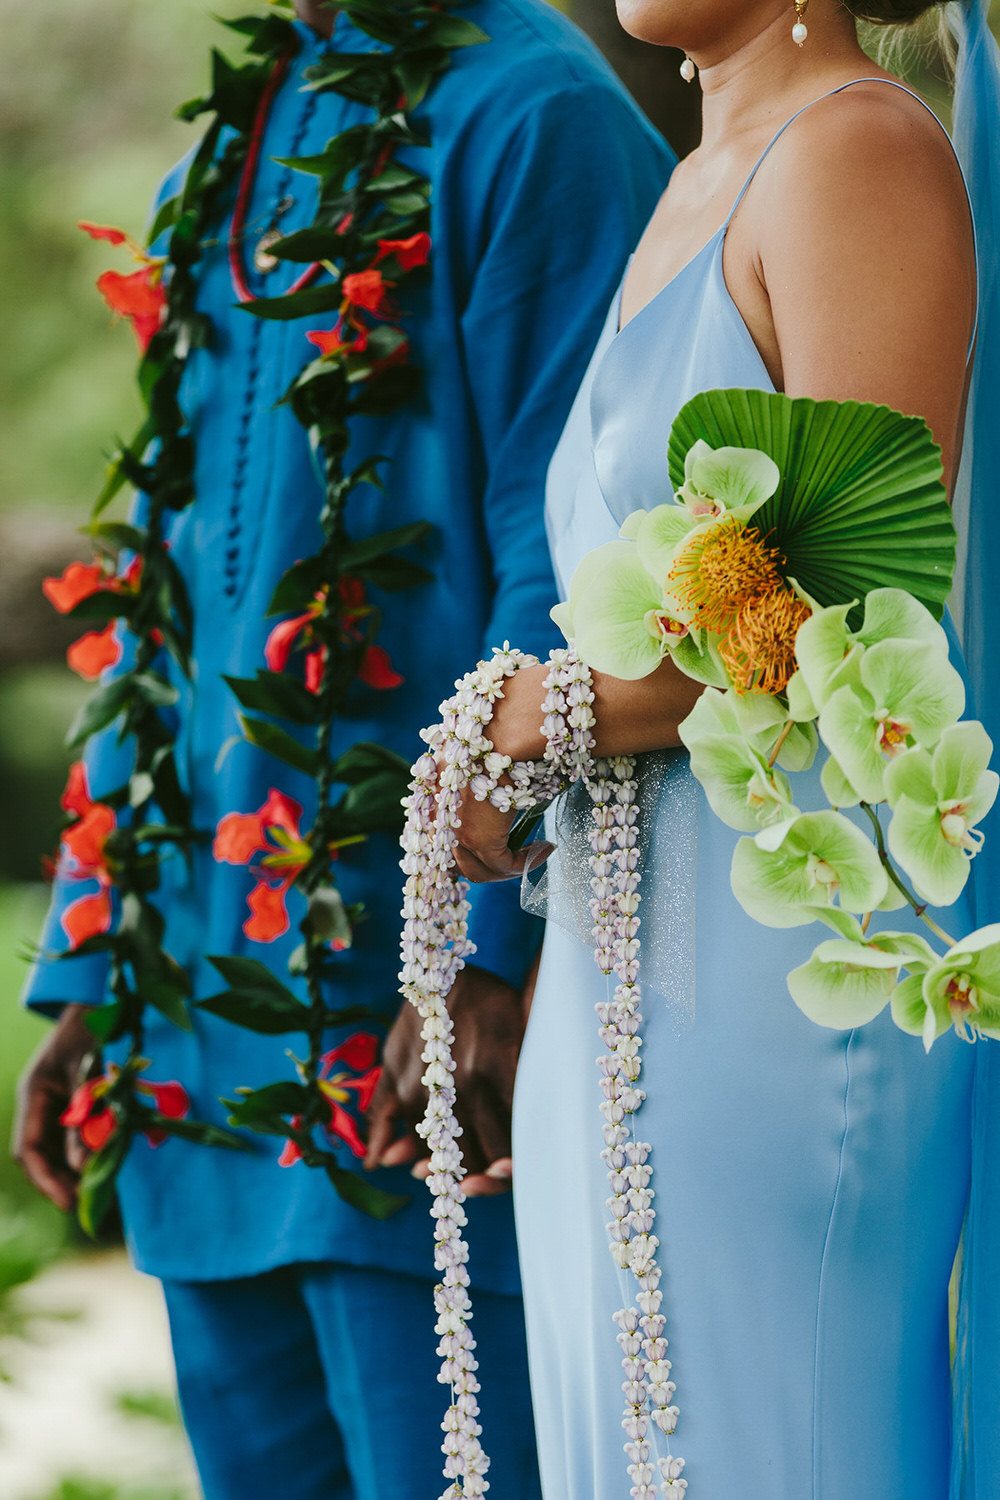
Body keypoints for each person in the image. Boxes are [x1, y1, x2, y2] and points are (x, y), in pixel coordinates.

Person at [12, 2, 673, 1496]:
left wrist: (489, 953)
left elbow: (567, 567)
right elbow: (160, 583)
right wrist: (93, 956)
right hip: (193, 1035)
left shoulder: (539, 115)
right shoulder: (242, 128)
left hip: (418, 1036)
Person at [447, 0, 1000, 1494]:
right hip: (620, 968)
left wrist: (533, 723)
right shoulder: (700, 177)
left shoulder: (854, 151)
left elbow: (847, 580)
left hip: (781, 968)